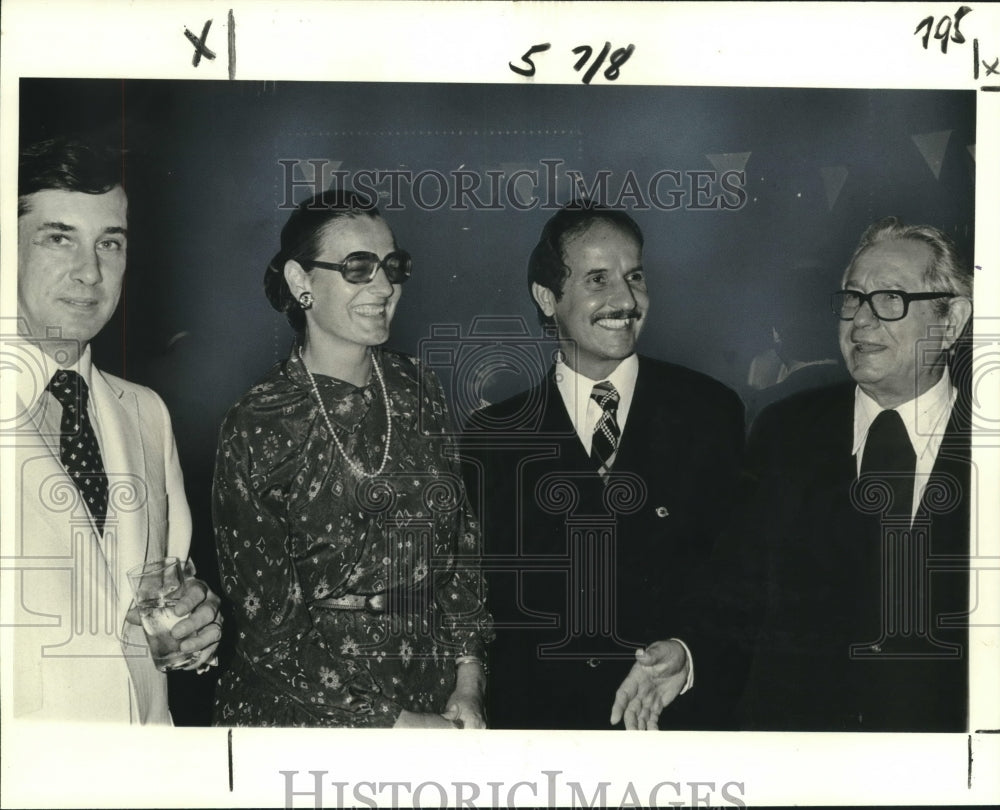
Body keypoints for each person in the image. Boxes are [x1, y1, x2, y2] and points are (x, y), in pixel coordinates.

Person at [672, 217, 973, 731]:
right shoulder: (785, 432)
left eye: (890, 299)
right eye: (853, 298)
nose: (861, 321)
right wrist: (687, 654)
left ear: (951, 321)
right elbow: (734, 595)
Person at [212, 189, 492, 728]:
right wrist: (394, 723)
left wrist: (469, 681)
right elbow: (267, 627)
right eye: (357, 268)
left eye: (393, 266)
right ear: (300, 283)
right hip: (307, 717)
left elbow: (461, 550)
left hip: (437, 703)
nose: (384, 286)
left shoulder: (418, 388)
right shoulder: (257, 424)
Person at [463, 201, 745, 730]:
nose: (625, 299)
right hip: (540, 740)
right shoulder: (492, 437)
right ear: (548, 298)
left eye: (634, 276)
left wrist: (688, 650)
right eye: (598, 279)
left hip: (674, 732)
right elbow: (478, 601)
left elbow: (739, 573)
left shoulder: (710, 412)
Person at [9, 137, 222, 724]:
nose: (89, 271)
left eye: (110, 242)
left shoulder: (147, 412)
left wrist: (193, 631)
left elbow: (168, 587)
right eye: (58, 238)